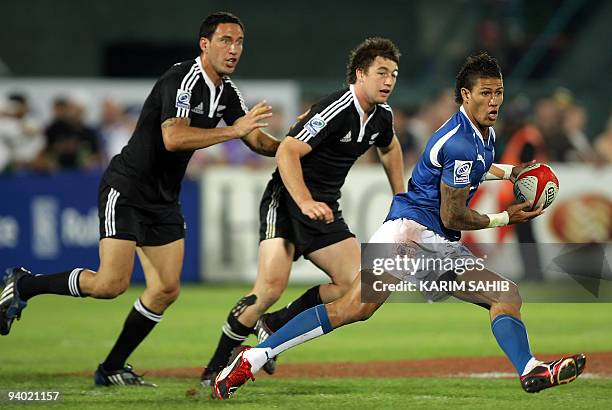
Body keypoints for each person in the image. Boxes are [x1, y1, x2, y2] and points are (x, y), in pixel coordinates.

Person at [211, 52, 586, 399]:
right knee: (354, 308)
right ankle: (254, 358)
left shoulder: (481, 134)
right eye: (485, 93)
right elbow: (453, 215)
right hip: (412, 236)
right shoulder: (459, 142)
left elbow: (477, 167)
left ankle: (530, 369)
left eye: (499, 92)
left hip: (429, 237)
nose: (494, 101)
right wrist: (507, 217)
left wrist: (512, 172)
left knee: (499, 296)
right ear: (464, 95)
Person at [0, 12, 280, 387]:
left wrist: (293, 146)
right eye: (225, 40)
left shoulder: (227, 92)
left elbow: (256, 140)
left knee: (166, 289)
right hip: (128, 188)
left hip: (164, 198)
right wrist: (234, 130)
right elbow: (173, 138)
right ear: (205, 44)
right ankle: (23, 285)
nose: (234, 49)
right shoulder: (183, 78)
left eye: (240, 42)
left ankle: (112, 367)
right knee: (109, 284)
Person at [200, 37, 405, 384]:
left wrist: (402, 197)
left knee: (355, 285)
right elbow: (287, 152)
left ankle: (274, 325)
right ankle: (214, 368)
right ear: (360, 73)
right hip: (286, 201)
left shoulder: (381, 117)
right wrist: (305, 201)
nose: (388, 81)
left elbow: (390, 148)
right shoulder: (337, 108)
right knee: (269, 288)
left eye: (394, 74)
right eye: (381, 72)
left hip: (323, 206)